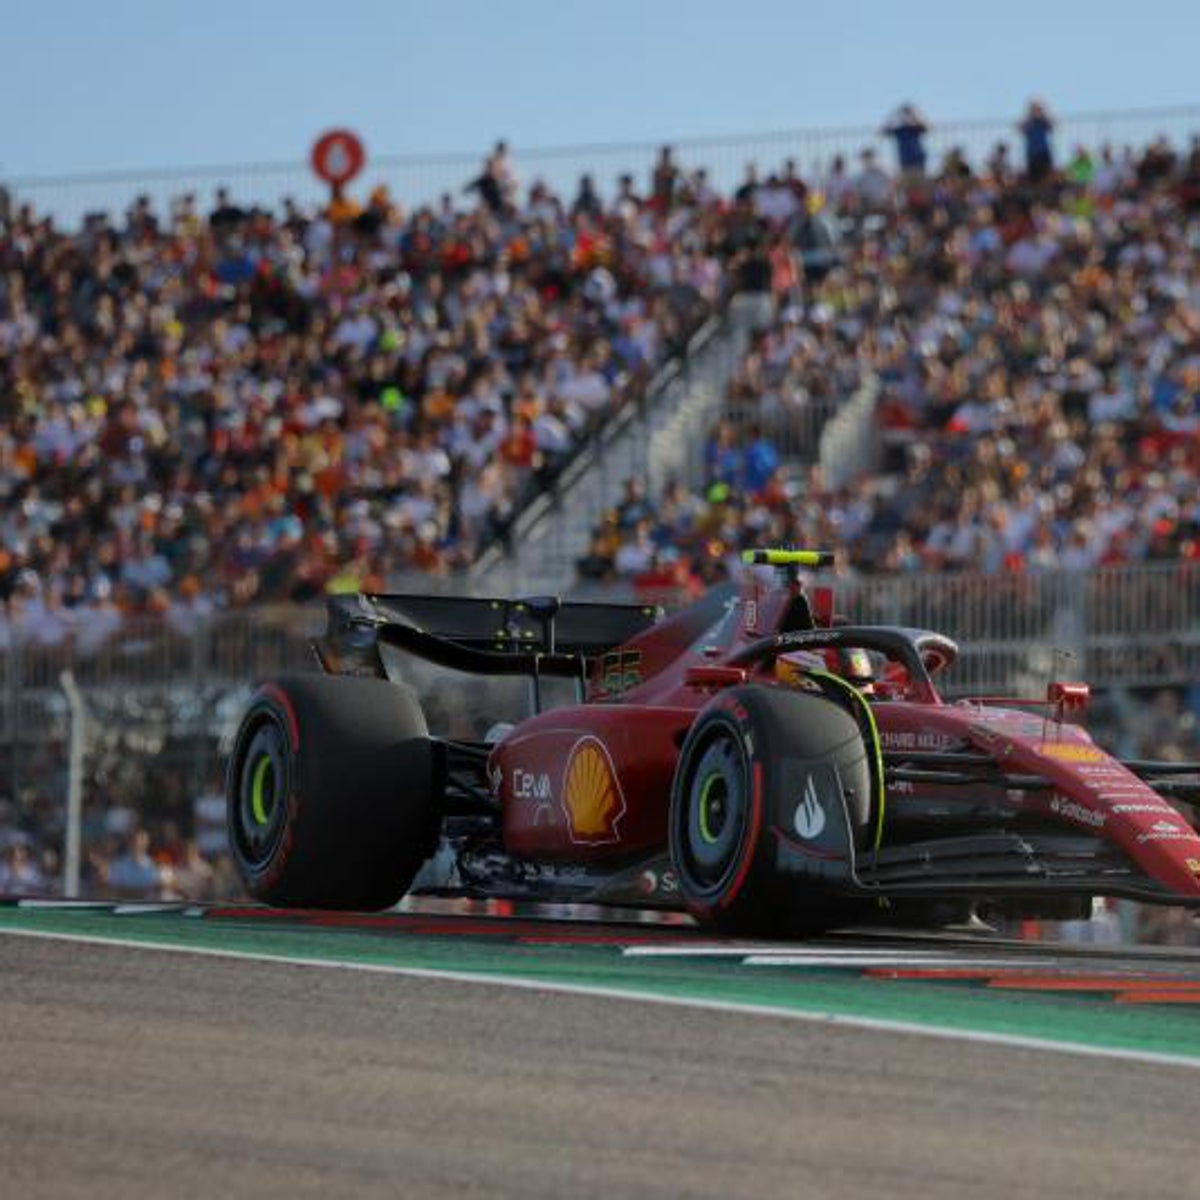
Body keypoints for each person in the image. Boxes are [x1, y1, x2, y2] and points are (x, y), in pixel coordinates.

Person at [883, 103, 929, 177]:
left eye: (908, 113)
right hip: (905, 163)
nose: (906, 116)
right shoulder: (899, 130)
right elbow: (884, 130)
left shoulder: (916, 128)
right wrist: (893, 115)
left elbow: (926, 128)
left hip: (919, 161)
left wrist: (915, 116)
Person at [1019, 100, 1055, 182]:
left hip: (1044, 152)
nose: (1036, 112)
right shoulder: (1029, 121)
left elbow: (1051, 126)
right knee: (1034, 176)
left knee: (1046, 174)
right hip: (1032, 153)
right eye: (1035, 110)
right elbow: (1021, 128)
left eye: (1038, 110)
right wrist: (1030, 119)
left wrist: (1044, 116)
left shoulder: (1043, 121)